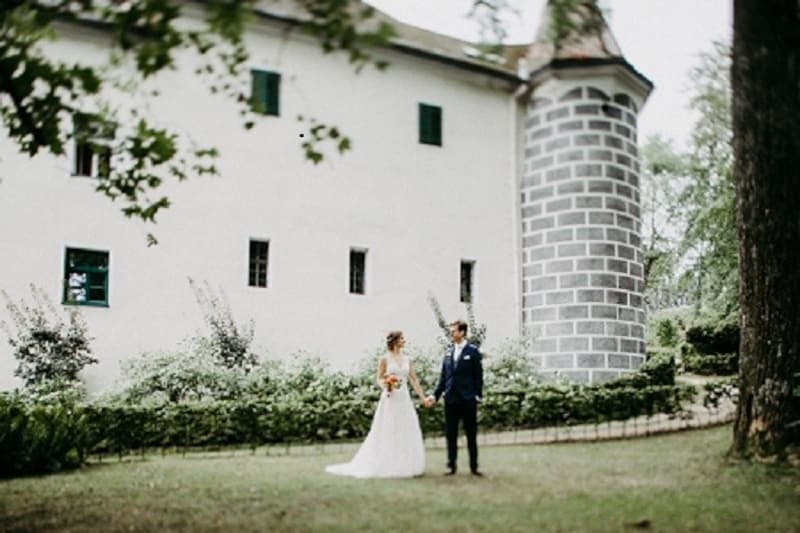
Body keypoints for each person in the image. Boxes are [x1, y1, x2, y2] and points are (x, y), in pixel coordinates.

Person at [325, 331, 428, 478]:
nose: (404, 341)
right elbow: (379, 378)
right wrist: (386, 384)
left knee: (406, 427)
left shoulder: (407, 359)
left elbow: (414, 380)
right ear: (395, 341)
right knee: (389, 428)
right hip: (390, 398)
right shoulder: (384, 359)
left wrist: (423, 398)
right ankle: (387, 463)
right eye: (402, 338)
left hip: (404, 398)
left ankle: (407, 464)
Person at [425, 320, 484, 476]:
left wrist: (478, 395)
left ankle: (474, 467)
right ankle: (451, 466)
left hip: (468, 399)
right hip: (450, 399)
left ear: (462, 332)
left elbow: (478, 376)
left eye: (454, 331)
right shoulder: (448, 352)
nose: (451, 334)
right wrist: (435, 395)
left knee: (471, 433)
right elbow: (444, 378)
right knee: (451, 434)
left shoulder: (473, 352)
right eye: (450, 332)